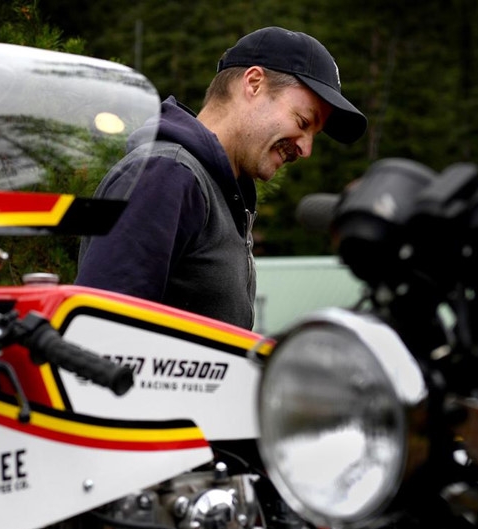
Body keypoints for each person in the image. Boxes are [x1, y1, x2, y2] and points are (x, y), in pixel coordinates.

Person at [76, 26, 367, 330]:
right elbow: (100, 332)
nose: (306, 149)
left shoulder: (220, 194)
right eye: (303, 122)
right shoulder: (167, 175)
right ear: (254, 83)